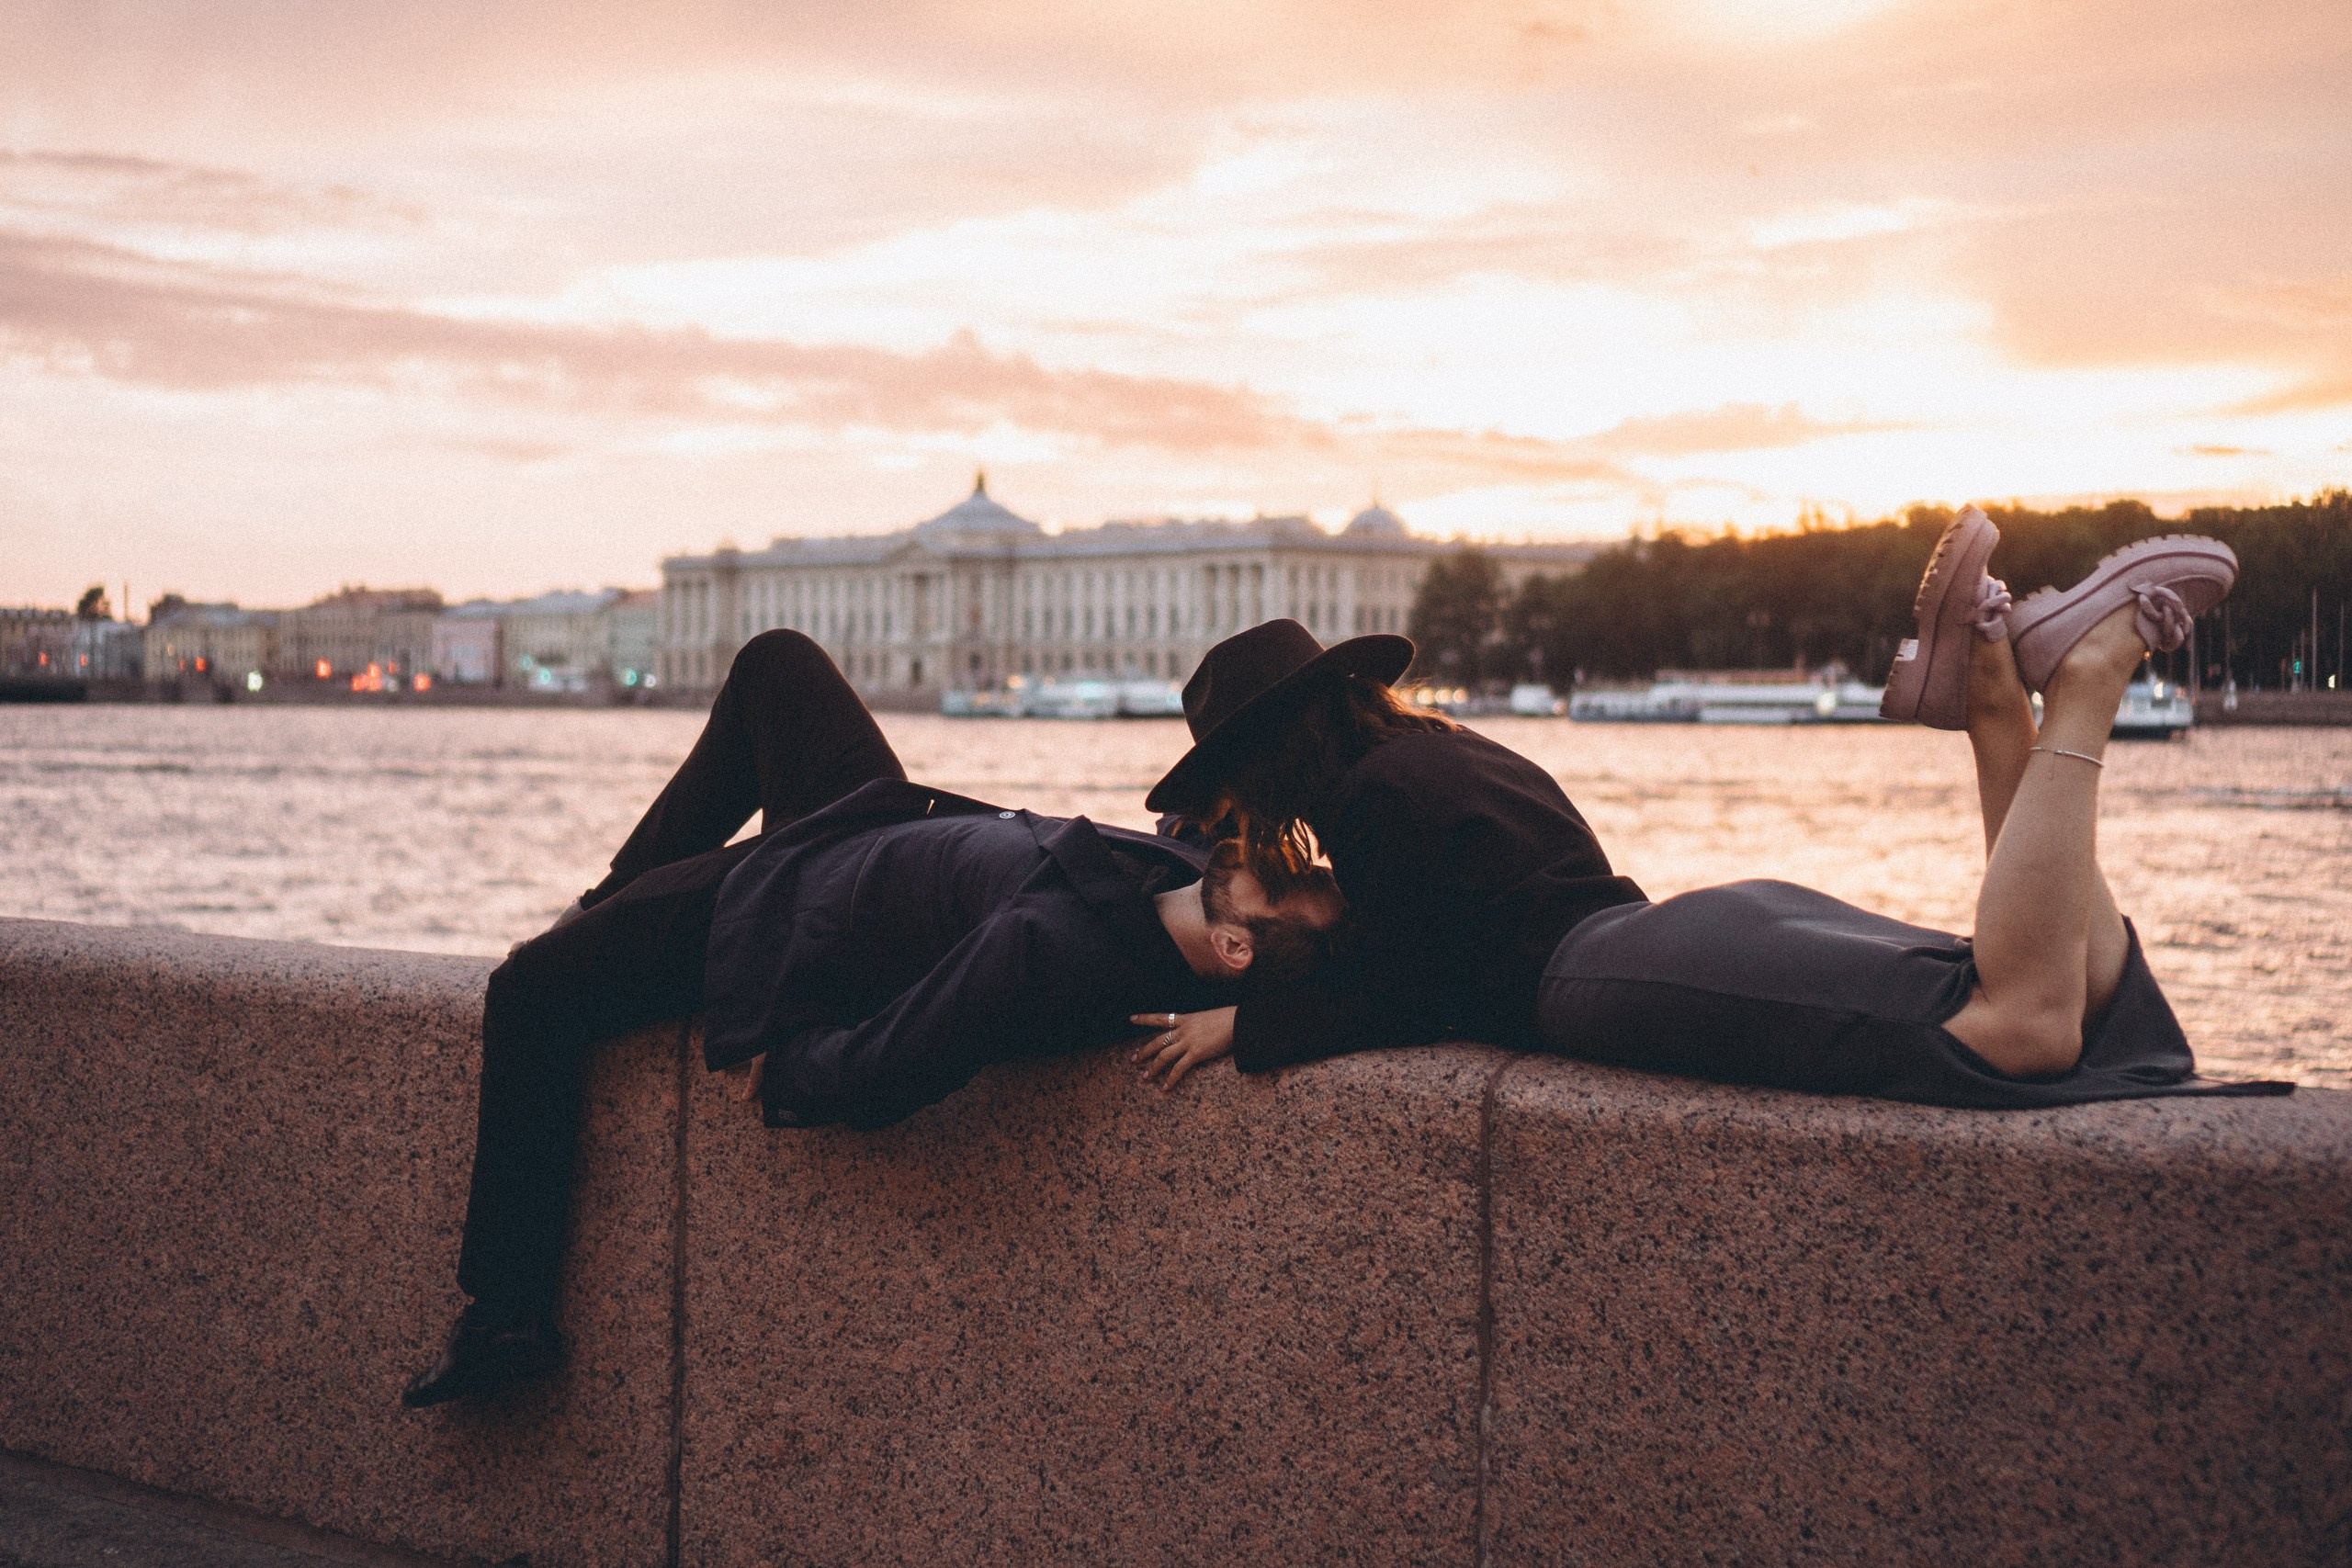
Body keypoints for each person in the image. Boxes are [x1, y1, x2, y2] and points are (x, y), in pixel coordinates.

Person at [403, 630, 1342, 1408]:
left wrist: (801, 1061)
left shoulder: (1047, 945)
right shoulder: (1194, 882)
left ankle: (507, 1318)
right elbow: (1267, 886)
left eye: (1282, 885)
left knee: (528, 991)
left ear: (1236, 952)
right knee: (776, 663)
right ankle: (608, 900)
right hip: (870, 822)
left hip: (789, 907)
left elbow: (900, 1058)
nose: (1276, 860)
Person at [1135, 510, 2292, 1112]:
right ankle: (1992, 693)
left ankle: (2078, 685)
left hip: (1616, 984)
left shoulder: (1370, 803)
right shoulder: (1445, 753)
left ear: (1269, 753)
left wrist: (1252, 1024)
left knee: (2019, 1027)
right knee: (2051, 993)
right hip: (1677, 931)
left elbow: (1415, 985)